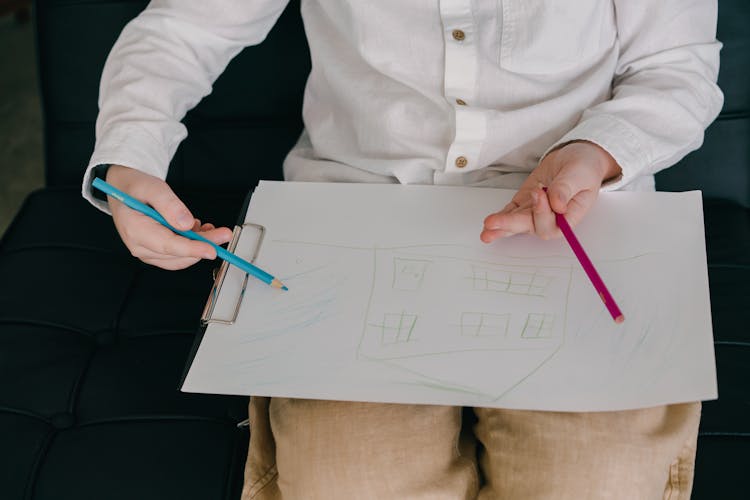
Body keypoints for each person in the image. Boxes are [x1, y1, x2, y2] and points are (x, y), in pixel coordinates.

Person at [82, 1, 723, 498]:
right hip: (357, 214)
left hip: (581, 220)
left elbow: (677, 67)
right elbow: (182, 29)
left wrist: (596, 151)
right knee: (349, 481)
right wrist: (129, 161)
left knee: (593, 482)